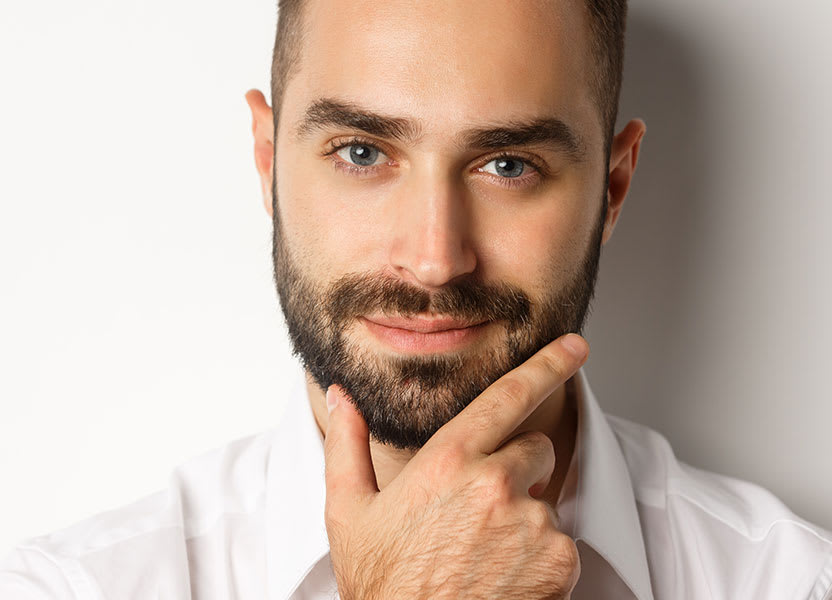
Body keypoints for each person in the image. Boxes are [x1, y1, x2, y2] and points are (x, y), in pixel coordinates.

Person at [2, 0, 831, 598]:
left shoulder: (791, 583)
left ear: (612, 188)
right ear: (268, 160)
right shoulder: (72, 587)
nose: (434, 261)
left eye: (508, 165)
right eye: (362, 152)